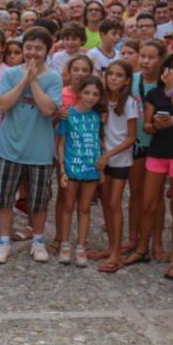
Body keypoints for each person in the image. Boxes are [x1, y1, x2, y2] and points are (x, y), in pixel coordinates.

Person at [125, 51, 173, 280]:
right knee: (148, 204)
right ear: (167, 71)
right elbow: (147, 126)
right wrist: (157, 125)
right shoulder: (154, 94)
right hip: (157, 153)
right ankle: (142, 249)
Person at [0, 27, 62, 265]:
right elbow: (3, 104)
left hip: (40, 150)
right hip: (9, 146)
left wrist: (33, 83)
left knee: (39, 199)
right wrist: (24, 78)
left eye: (39, 48)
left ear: (47, 51)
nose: (33, 52)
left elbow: (48, 109)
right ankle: (3, 240)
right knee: (4, 197)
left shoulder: (53, 78)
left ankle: (39, 239)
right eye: (29, 47)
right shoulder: (11, 74)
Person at [56, 76, 105, 267]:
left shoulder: (98, 116)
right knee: (68, 207)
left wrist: (101, 169)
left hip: (91, 169)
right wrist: (62, 169)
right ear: (79, 93)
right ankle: (66, 244)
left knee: (85, 209)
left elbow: (100, 143)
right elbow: (61, 143)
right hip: (72, 167)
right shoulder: (68, 115)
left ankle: (81, 246)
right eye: (87, 92)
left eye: (95, 94)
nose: (91, 97)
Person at [126, 40, 166, 257]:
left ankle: (156, 240)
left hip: (159, 145)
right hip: (136, 142)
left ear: (161, 60)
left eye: (151, 57)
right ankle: (134, 237)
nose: (145, 61)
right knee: (135, 193)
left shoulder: (165, 84)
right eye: (143, 56)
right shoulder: (131, 80)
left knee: (157, 197)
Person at [98, 60, 137, 273]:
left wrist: (109, 154)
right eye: (110, 74)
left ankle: (116, 253)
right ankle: (111, 247)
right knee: (106, 203)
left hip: (120, 159)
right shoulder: (102, 100)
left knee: (114, 203)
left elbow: (131, 138)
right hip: (105, 158)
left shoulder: (129, 103)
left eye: (118, 75)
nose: (113, 78)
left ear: (126, 80)